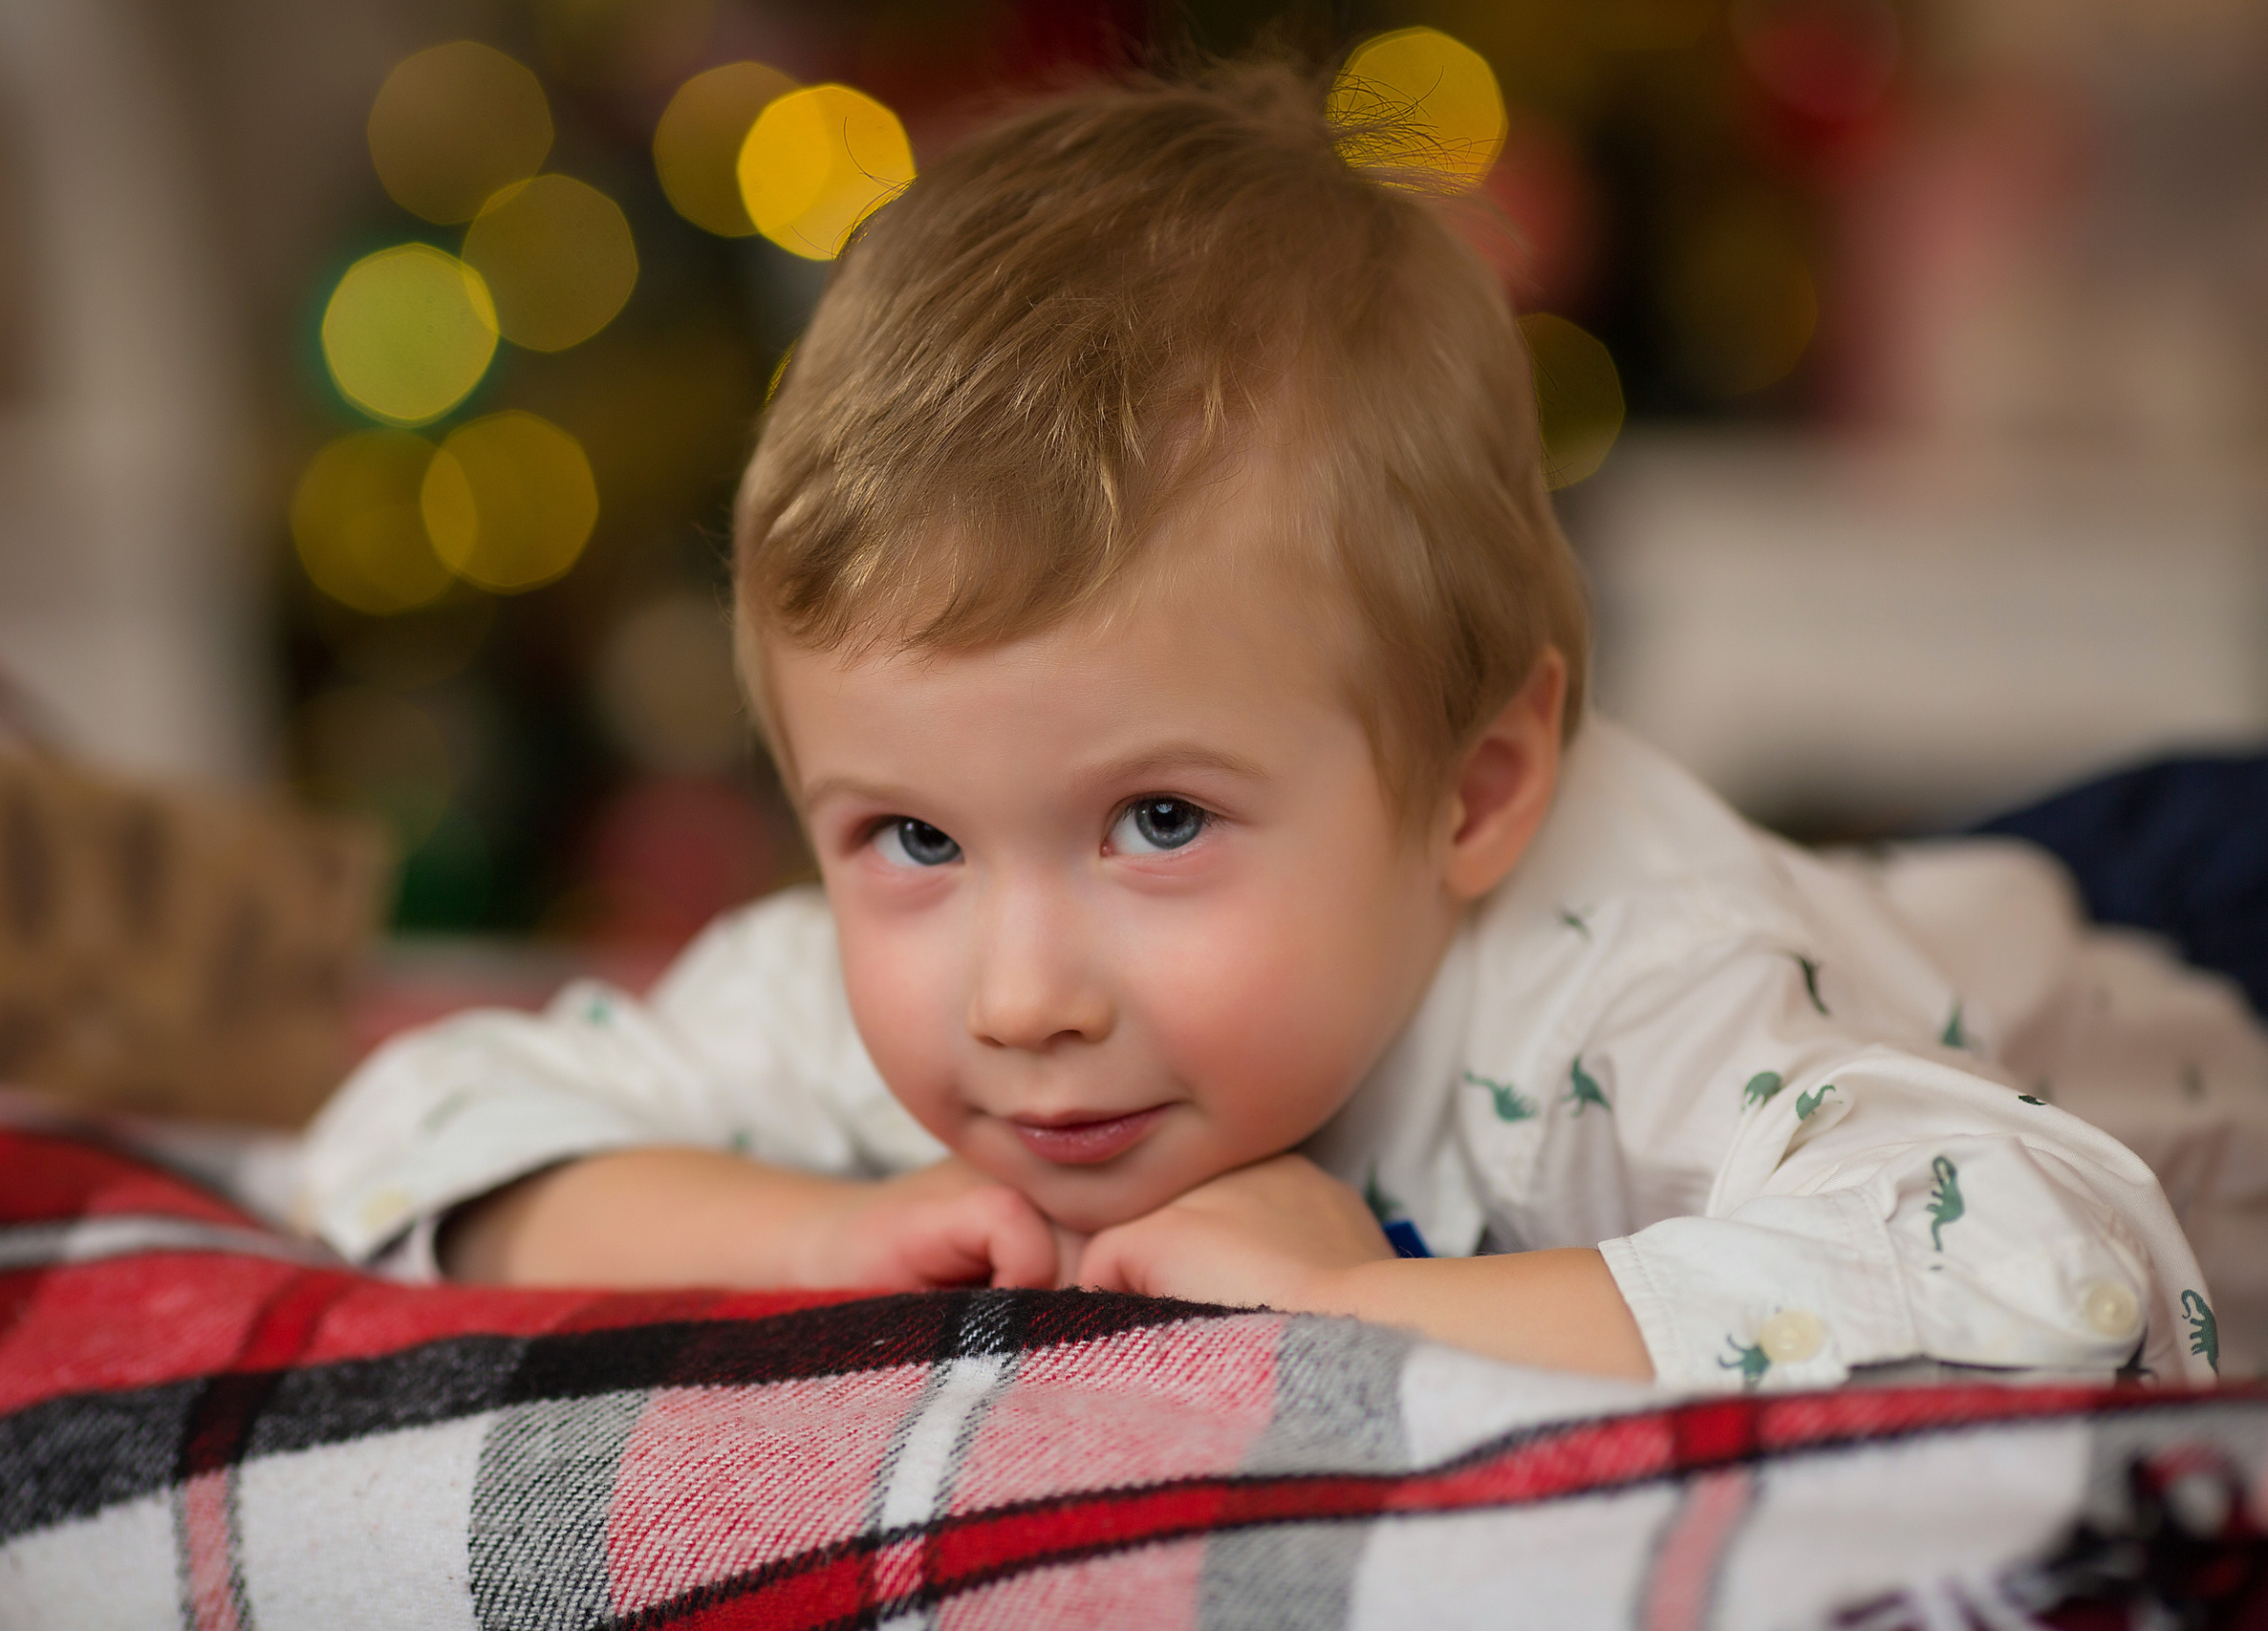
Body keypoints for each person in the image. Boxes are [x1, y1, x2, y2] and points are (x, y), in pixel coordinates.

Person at [298, 63, 2251, 1391]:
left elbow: (2069, 1270)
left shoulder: (1629, 993)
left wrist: (1378, 1298)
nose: (1019, 991)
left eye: (1155, 820)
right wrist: (816, 1226)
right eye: (903, 837)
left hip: (2152, 957)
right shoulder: (904, 1001)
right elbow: (400, 1131)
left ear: (1471, 785)